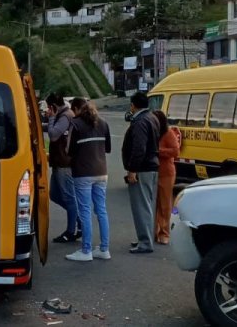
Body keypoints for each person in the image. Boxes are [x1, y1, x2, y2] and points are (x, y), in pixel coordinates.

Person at [65, 97, 111, 262]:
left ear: (77, 109)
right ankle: (104, 249)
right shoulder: (103, 123)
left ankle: (86, 250)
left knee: (84, 211)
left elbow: (69, 151)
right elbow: (108, 148)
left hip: (83, 172)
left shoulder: (75, 124)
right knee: (101, 209)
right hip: (101, 171)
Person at [122, 91, 160, 254]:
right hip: (151, 166)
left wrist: (132, 170)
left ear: (133, 105)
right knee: (147, 206)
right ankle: (145, 238)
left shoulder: (139, 122)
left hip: (142, 168)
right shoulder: (152, 118)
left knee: (141, 206)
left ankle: (145, 242)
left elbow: (139, 148)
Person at [45, 94, 80, 243]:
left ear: (53, 106)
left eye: (48, 107)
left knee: (69, 197)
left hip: (64, 163)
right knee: (54, 194)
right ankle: (79, 219)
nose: (47, 110)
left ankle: (71, 230)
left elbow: (53, 135)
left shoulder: (65, 116)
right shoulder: (63, 114)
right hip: (58, 162)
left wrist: (51, 118)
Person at [153, 110, 181, 245]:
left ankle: (165, 233)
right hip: (153, 172)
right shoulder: (152, 132)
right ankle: (154, 232)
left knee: (165, 205)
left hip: (166, 173)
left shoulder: (168, 133)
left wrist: (159, 151)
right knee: (154, 205)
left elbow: (176, 151)